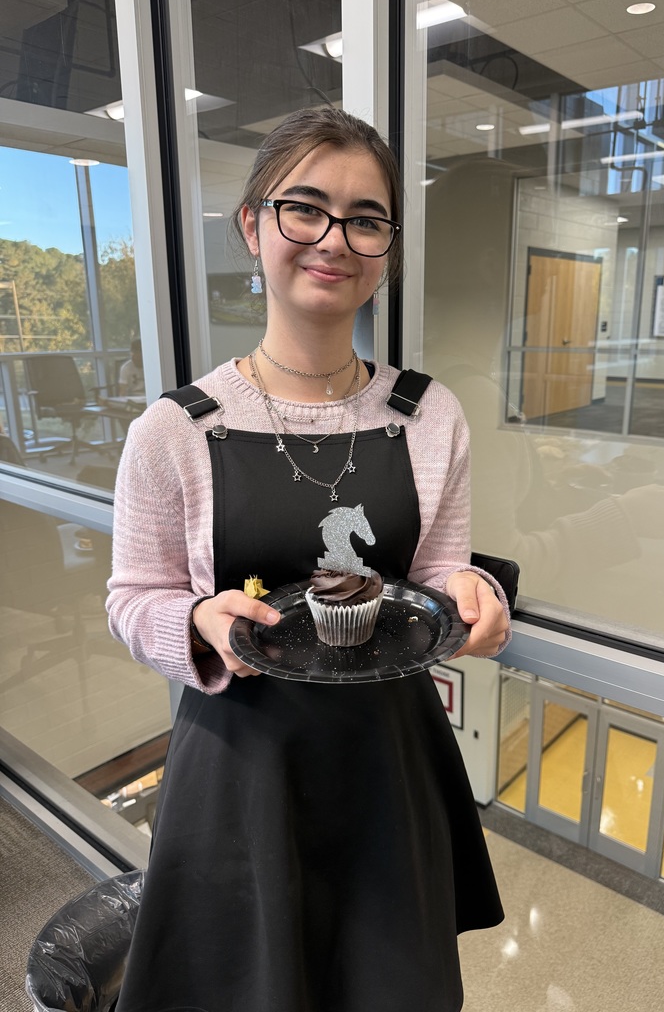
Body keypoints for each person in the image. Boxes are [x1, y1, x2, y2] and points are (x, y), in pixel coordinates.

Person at [106, 107, 511, 1012]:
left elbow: (442, 569)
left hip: (390, 762)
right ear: (253, 226)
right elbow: (134, 596)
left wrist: (474, 596)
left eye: (366, 217)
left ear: (387, 247)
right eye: (305, 208)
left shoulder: (427, 412)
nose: (335, 239)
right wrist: (195, 621)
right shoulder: (175, 429)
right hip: (243, 768)